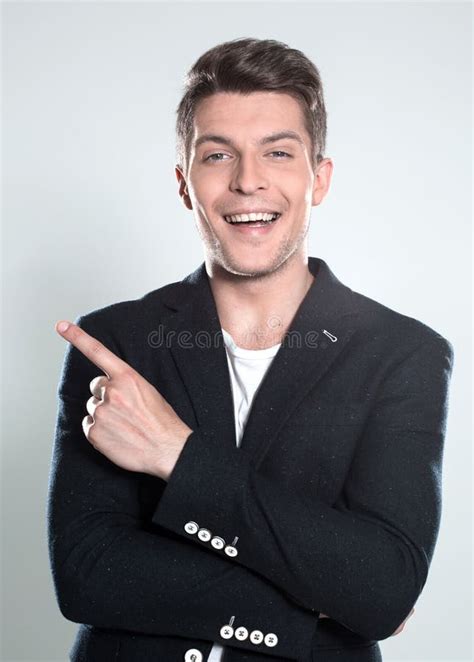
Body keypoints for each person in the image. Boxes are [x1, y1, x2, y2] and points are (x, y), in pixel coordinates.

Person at [48, 38, 454, 662]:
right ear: (185, 184)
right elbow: (87, 572)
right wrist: (315, 597)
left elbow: (383, 583)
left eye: (278, 153)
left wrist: (175, 456)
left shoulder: (403, 354)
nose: (248, 181)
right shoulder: (115, 343)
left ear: (318, 179)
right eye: (218, 155)